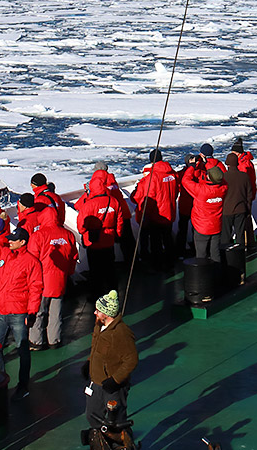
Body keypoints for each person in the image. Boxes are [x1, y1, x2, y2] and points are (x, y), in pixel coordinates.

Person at [0, 228, 42, 400]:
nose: (9, 241)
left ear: (22, 242)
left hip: (19, 313)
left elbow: (36, 287)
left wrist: (32, 312)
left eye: (13, 240)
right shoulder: (3, 254)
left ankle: (23, 386)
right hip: (0, 311)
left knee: (22, 349)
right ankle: (0, 382)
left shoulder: (31, 262)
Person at [86, 291, 138, 430]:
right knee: (92, 415)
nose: (94, 313)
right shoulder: (99, 325)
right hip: (96, 383)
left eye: (98, 311)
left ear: (106, 314)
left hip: (112, 387)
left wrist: (115, 380)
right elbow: (95, 347)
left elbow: (131, 360)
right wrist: (89, 364)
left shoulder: (121, 333)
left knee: (117, 421)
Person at [77, 166, 124, 293]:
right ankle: (112, 292)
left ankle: (95, 293)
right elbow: (119, 220)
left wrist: (85, 232)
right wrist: (117, 234)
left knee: (95, 270)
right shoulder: (113, 201)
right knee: (110, 268)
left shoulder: (89, 205)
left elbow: (81, 225)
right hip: (109, 240)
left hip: (94, 241)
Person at [132, 148, 179, 265]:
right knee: (168, 238)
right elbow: (176, 191)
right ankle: (171, 261)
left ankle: (159, 264)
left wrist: (145, 214)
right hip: (170, 211)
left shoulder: (153, 177)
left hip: (157, 215)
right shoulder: (172, 174)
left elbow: (149, 198)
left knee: (156, 242)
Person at [181, 157, 228, 262]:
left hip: (202, 227)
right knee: (215, 253)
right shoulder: (223, 188)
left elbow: (185, 181)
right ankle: (217, 274)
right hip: (216, 226)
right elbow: (220, 178)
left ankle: (203, 276)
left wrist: (192, 167)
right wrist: (207, 163)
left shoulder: (201, 191)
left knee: (201, 255)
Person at [221, 150, 257, 255]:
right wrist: (248, 209)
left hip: (226, 211)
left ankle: (225, 256)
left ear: (227, 163)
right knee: (240, 234)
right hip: (241, 210)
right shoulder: (244, 176)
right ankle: (240, 256)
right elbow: (249, 195)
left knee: (226, 236)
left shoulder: (223, 177)